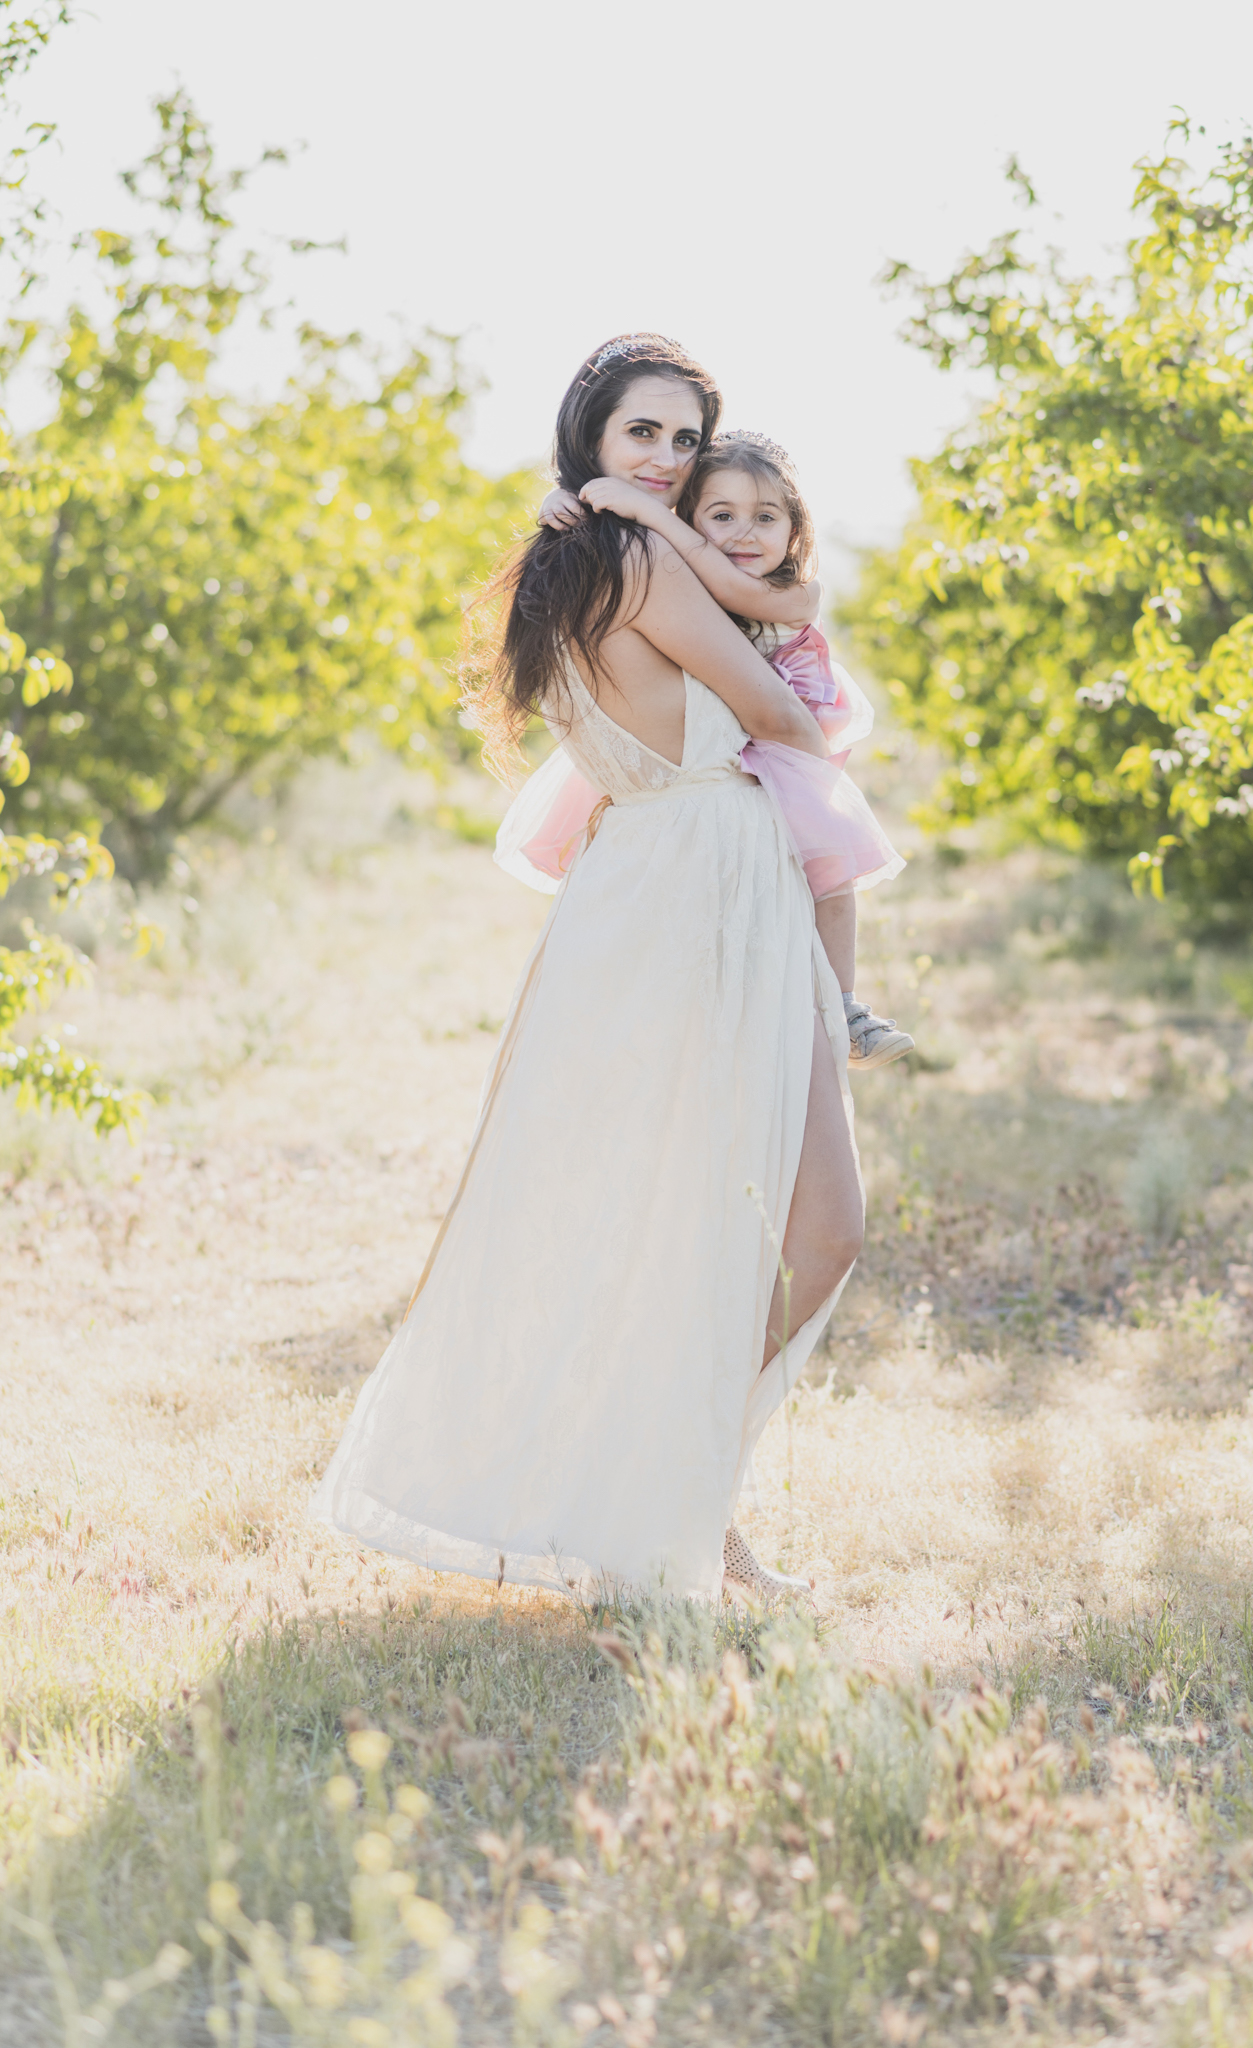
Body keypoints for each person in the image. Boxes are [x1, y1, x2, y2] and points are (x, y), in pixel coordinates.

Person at [311, 334, 864, 1604]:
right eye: (643, 439)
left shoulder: (613, 546)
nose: (669, 462)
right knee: (713, 1224)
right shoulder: (617, 554)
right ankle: (673, 1513)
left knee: (806, 1229)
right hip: (684, 898)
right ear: (591, 443)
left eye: (685, 439)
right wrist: (643, 523)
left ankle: (682, 1497)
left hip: (716, 886)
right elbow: (784, 717)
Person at [534, 430, 915, 1068]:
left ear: (795, 531)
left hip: (787, 754)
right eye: (722, 515)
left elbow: (729, 591)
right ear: (695, 518)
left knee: (829, 876)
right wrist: (562, 506)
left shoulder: (793, 592)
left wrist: (654, 514)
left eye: (766, 517)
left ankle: (844, 1004)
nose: (744, 534)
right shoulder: (676, 572)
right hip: (716, 752)